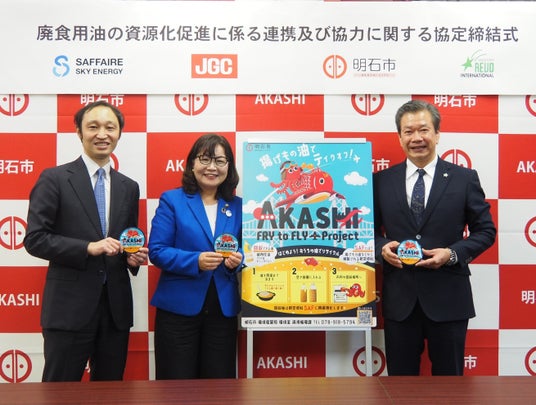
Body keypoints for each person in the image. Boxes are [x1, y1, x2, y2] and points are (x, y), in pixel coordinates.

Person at [24, 100, 148, 382]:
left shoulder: (129, 187)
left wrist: (131, 258)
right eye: (93, 127)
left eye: (110, 127)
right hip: (69, 310)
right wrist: (88, 247)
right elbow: (35, 239)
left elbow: (126, 240)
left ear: (119, 133)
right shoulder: (54, 178)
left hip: (115, 311)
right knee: (59, 392)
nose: (102, 134)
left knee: (110, 393)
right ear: (79, 132)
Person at [373, 99, 496, 376]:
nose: (416, 138)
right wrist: (382, 248)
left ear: (437, 134)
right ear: (399, 137)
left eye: (424, 130)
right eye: (408, 131)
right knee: (401, 386)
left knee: (449, 385)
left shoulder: (464, 178)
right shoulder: (381, 181)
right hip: (400, 301)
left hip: (449, 298)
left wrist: (451, 254)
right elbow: (368, 232)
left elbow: (486, 231)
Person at [149, 133, 243, 379]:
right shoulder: (172, 200)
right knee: (175, 387)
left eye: (220, 161)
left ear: (229, 167)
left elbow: (248, 250)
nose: (212, 167)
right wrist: (195, 261)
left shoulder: (239, 206)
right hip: (178, 310)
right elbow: (157, 250)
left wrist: (237, 261)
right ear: (192, 164)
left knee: (219, 388)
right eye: (205, 159)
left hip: (222, 311)